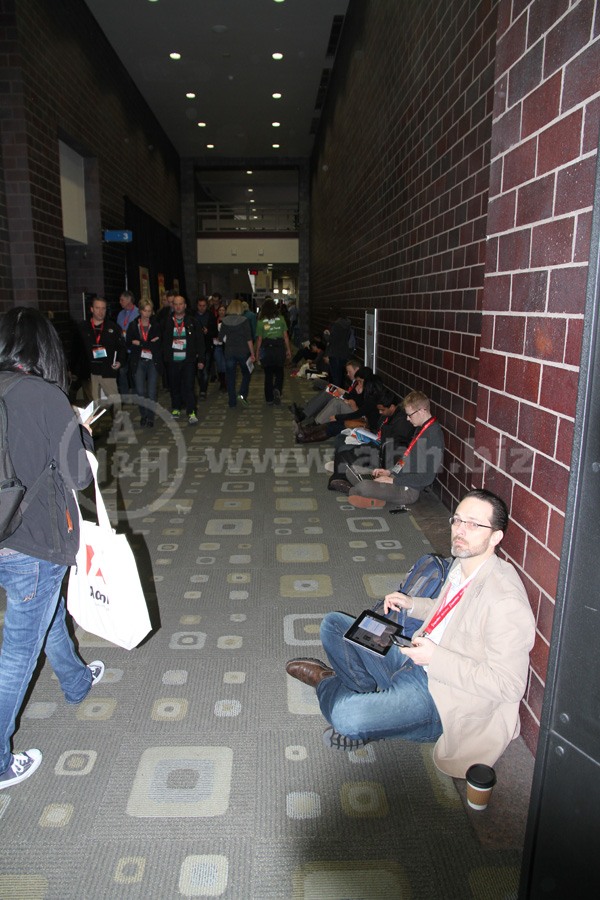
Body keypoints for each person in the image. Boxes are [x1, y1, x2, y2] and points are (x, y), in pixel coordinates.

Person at [285, 489, 536, 778]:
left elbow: (509, 685)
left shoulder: (505, 600)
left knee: (346, 717)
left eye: (474, 524)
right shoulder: (464, 566)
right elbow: (452, 615)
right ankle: (374, 705)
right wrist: (413, 604)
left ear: (496, 537)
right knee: (334, 625)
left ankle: (327, 683)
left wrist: (435, 658)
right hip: (412, 654)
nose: (460, 530)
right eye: (458, 520)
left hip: (439, 693)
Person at [0, 307, 104, 790]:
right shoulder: (46, 397)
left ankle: (76, 681)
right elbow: (80, 476)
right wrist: (80, 430)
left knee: (44, 613)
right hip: (33, 541)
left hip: (2, 532)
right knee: (17, 652)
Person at [346, 390, 444, 508]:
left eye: (410, 414)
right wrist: (390, 472)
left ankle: (371, 494)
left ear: (422, 411)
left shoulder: (433, 435)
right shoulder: (421, 427)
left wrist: (392, 481)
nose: (407, 419)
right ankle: (373, 495)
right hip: (398, 477)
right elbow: (406, 458)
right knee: (351, 471)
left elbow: (427, 478)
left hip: (408, 490)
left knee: (363, 487)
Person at [328, 388, 414, 493]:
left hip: (382, 454)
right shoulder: (388, 416)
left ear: (392, 407)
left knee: (346, 454)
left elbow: (394, 446)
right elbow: (379, 431)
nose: (380, 412)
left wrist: (377, 440)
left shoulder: (402, 422)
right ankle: (339, 479)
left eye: (382, 410)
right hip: (377, 445)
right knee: (342, 452)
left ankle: (339, 480)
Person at [75, 296, 126, 423]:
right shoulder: (83, 327)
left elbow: (121, 348)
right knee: (92, 403)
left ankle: (118, 424)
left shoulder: (113, 327)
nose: (100, 311)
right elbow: (76, 350)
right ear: (91, 309)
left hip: (107, 369)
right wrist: (74, 369)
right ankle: (92, 428)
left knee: (115, 399)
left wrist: (119, 361)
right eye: (97, 308)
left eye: (103, 308)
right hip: (89, 371)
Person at [161, 294, 205, 425]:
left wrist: (201, 359)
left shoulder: (193, 321)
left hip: (188, 361)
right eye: (176, 304)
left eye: (181, 304)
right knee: (174, 386)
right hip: (172, 360)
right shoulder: (166, 321)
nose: (178, 306)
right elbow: (162, 341)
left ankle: (191, 411)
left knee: (189, 386)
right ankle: (176, 408)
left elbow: (200, 342)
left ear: (185, 305)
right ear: (172, 306)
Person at [126, 299, 162, 427]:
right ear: (140, 311)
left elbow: (158, 344)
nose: (147, 314)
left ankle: (150, 417)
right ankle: (144, 415)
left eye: (149, 311)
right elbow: (128, 342)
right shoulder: (133, 325)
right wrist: (146, 343)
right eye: (145, 311)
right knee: (140, 391)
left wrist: (140, 343)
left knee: (152, 391)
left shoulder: (156, 325)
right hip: (138, 361)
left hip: (153, 360)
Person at [255, 297, 291, 405]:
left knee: (268, 374)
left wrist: (257, 354)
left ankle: (269, 398)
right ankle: (277, 389)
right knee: (280, 372)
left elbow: (259, 339)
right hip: (279, 347)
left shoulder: (261, 321)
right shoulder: (281, 319)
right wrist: (288, 350)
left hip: (267, 348)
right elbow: (285, 336)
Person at [220, 299, 255, 408]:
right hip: (243, 352)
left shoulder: (224, 321)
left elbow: (220, 338)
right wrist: (252, 353)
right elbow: (249, 339)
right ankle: (242, 393)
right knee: (246, 373)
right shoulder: (245, 320)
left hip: (229, 352)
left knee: (230, 377)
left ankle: (232, 402)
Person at [116, 290, 139, 395]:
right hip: (123, 348)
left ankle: (135, 394)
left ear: (129, 300)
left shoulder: (138, 313)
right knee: (122, 371)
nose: (120, 302)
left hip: (134, 347)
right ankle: (124, 394)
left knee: (134, 372)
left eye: (122, 300)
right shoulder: (120, 314)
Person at [195, 296, 218, 399]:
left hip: (207, 345)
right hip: (195, 347)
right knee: (198, 371)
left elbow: (215, 332)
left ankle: (203, 390)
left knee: (205, 369)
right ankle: (202, 386)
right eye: (200, 306)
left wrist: (208, 332)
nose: (202, 308)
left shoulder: (211, 316)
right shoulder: (192, 316)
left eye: (204, 306)